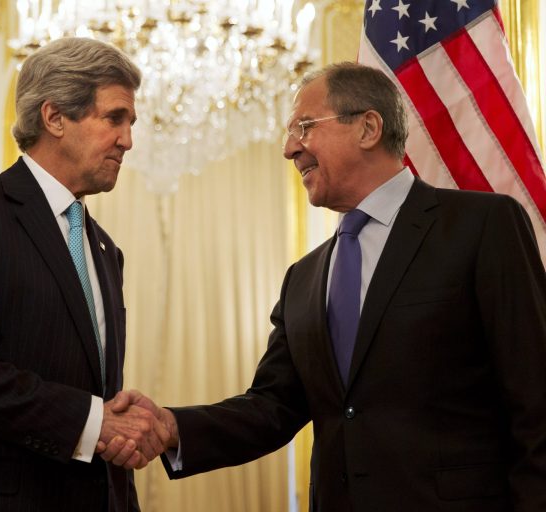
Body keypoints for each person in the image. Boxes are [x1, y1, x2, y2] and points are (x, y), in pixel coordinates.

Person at [102, 62, 546, 511]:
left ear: (368, 128)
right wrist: (169, 427)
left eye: (304, 127)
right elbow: (272, 407)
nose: (289, 149)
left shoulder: (481, 225)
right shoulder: (304, 277)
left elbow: (536, 400)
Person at [0, 37, 169, 512]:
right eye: (114, 118)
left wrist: (116, 427)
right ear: (54, 117)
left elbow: (92, 392)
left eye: (130, 123)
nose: (128, 140)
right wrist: (93, 423)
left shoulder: (105, 249)